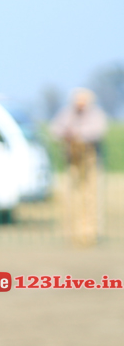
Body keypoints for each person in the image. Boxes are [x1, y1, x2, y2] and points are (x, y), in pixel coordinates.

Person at [49, 87, 108, 245]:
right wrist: (65, 134)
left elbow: (98, 131)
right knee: (72, 197)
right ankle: (73, 232)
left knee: (91, 197)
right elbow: (54, 129)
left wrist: (78, 134)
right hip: (72, 161)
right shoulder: (67, 113)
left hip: (91, 162)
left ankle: (91, 232)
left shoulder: (96, 115)